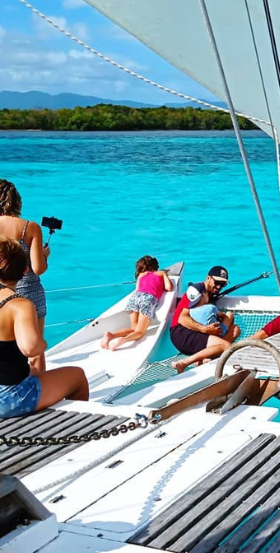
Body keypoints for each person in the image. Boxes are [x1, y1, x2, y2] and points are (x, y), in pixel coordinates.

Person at [0, 236, 88, 418]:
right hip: (8, 397)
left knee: (32, 372)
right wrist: (41, 343)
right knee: (78, 377)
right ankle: (72, 432)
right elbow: (31, 348)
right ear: (25, 270)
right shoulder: (18, 305)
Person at [0, 179, 49, 373]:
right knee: (35, 352)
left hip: (2, 293)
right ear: (16, 201)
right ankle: (41, 391)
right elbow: (37, 268)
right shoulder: (30, 227)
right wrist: (44, 256)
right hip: (28, 291)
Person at [170, 266, 240, 372]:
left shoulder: (211, 294)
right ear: (208, 278)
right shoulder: (196, 291)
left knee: (235, 330)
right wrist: (205, 329)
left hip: (196, 333)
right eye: (216, 282)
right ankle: (184, 363)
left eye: (222, 284)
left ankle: (204, 358)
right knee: (226, 346)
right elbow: (182, 318)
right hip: (181, 333)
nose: (218, 287)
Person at [101, 255, 173, 351]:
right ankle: (123, 340)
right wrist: (164, 279)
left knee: (134, 328)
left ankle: (111, 335)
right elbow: (169, 287)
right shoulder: (161, 273)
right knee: (140, 332)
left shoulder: (141, 275)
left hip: (135, 298)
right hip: (148, 299)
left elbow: (137, 289)